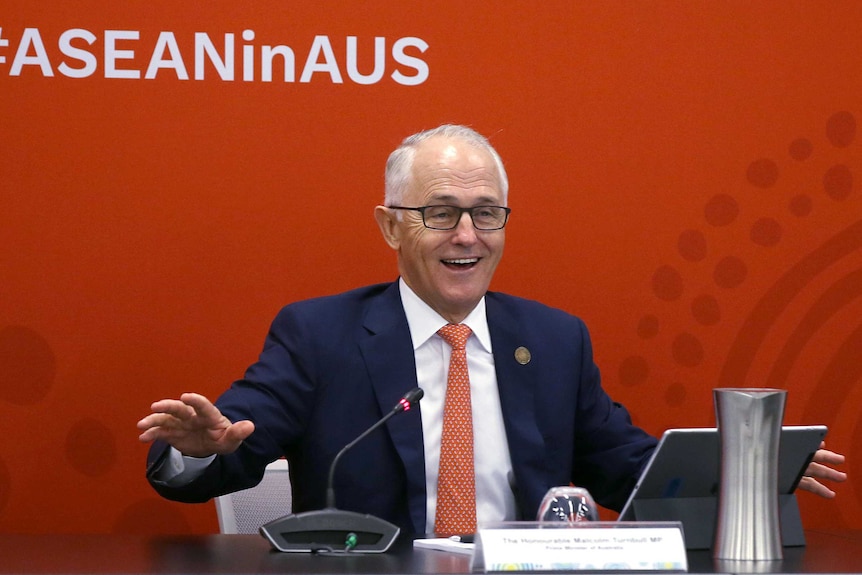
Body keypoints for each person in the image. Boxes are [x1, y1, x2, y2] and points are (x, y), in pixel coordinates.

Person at [138, 124, 846, 535]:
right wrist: (196, 450)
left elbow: (625, 465)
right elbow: (233, 443)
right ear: (391, 225)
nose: (468, 236)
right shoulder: (320, 334)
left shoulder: (556, 339)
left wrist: (742, 470)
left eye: (488, 212)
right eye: (441, 212)